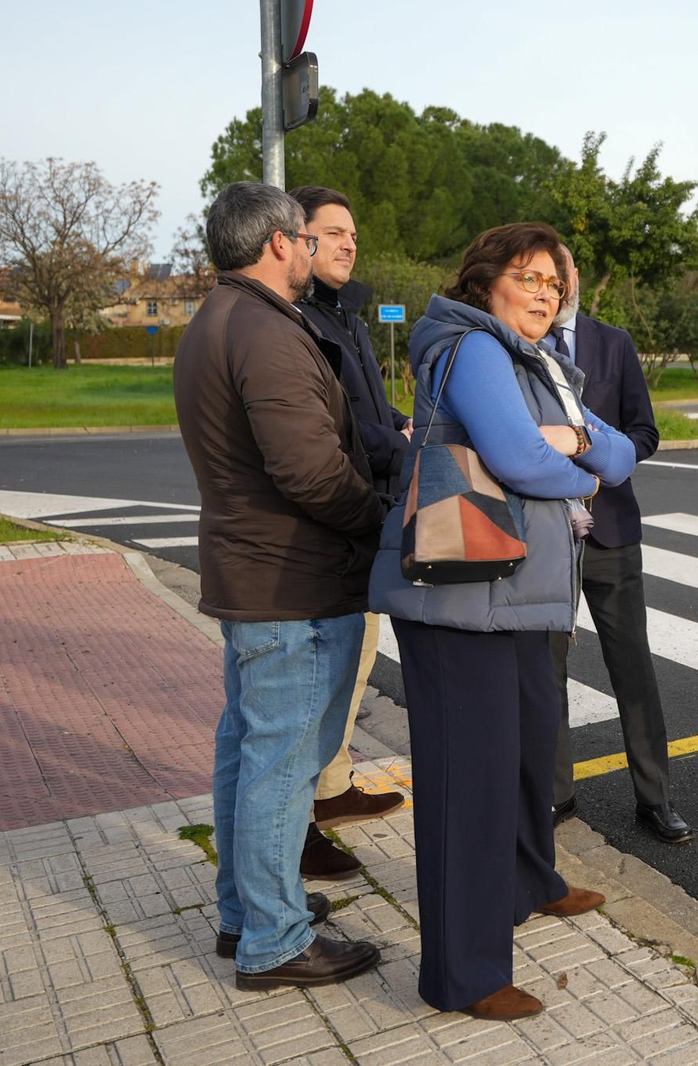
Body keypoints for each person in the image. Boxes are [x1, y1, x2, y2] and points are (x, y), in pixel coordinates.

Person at [369, 222, 636, 1020]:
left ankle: (525, 883)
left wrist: (575, 436)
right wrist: (573, 472)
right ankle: (464, 975)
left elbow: (621, 455)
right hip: (461, 597)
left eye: (555, 284)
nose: (545, 294)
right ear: (486, 279)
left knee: (518, 753)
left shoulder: (541, 359)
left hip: (508, 592)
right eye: (528, 278)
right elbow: (520, 461)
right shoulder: (473, 344)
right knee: (466, 789)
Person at [173, 181, 385, 990]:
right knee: (282, 763)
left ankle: (248, 913)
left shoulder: (215, 319)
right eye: (302, 238)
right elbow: (308, 469)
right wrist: (374, 518)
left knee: (248, 754)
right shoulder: (264, 329)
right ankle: (275, 941)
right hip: (292, 579)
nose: (309, 251)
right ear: (275, 244)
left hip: (255, 572)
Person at [546, 244, 691, 844]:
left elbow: (646, 430)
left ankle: (654, 798)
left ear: (576, 277)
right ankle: (555, 797)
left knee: (633, 668)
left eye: (563, 272)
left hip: (611, 533)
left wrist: (599, 457)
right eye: (542, 276)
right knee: (545, 673)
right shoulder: (510, 346)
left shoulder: (614, 342)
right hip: (543, 536)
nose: (555, 284)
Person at [289, 185, 407, 878]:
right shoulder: (298, 322)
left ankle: (331, 794)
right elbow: (336, 427)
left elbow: (371, 406)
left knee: (353, 666)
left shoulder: (345, 316)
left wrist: (405, 425)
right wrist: (400, 446)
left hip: (367, 516)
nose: (348, 243)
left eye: (352, 234)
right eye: (333, 233)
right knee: (316, 685)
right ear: (295, 240)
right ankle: (297, 825)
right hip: (329, 526)